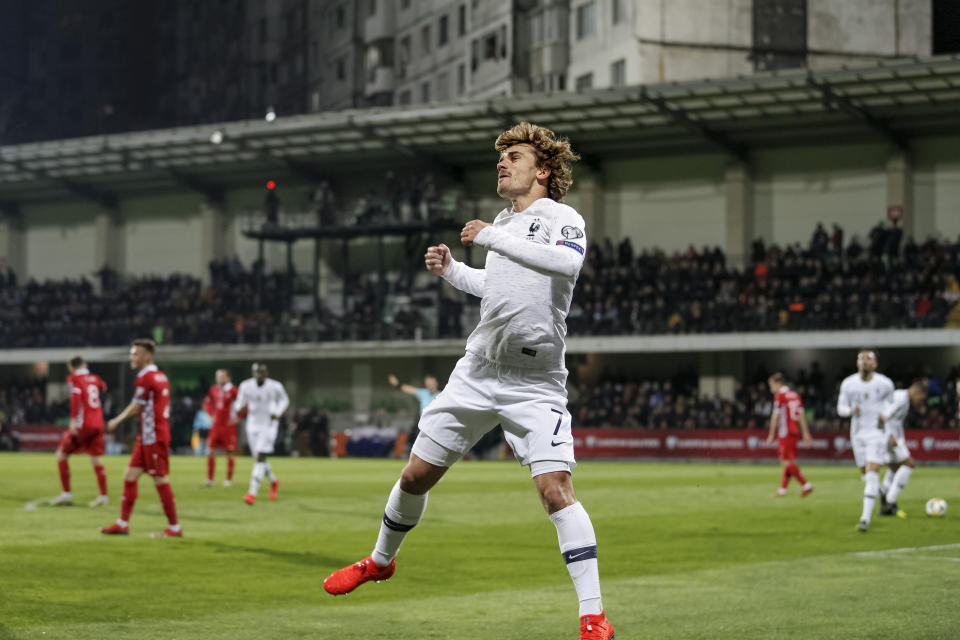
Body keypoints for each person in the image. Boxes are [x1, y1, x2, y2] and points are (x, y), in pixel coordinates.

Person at [323, 122, 614, 639]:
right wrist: (453, 270)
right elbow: (497, 284)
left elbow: (565, 265)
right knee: (415, 476)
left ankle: (592, 614)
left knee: (555, 490)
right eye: (500, 158)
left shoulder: (562, 218)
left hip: (534, 380)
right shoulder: (503, 221)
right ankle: (379, 561)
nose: (502, 163)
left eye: (515, 157)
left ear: (543, 170)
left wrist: (490, 236)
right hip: (478, 370)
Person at [101, 339, 181, 537]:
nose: (132, 357)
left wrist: (116, 420)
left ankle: (174, 528)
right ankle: (122, 524)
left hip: (154, 437)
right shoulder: (161, 376)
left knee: (161, 480)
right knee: (130, 476)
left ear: (147, 356)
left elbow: (137, 406)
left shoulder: (145, 377)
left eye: (135, 354)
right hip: (147, 437)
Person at [837, 349, 895, 532]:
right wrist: (850, 411)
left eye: (869, 359)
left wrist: (886, 416)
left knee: (872, 474)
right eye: (862, 358)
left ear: (875, 364)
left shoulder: (885, 384)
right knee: (865, 475)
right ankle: (882, 493)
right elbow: (841, 408)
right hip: (857, 435)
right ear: (857, 363)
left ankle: (865, 519)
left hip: (876, 435)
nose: (865, 362)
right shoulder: (849, 384)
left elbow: (893, 405)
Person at [51, 356, 109, 507]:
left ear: (71, 367)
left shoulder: (74, 380)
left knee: (61, 454)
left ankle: (66, 494)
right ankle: (103, 496)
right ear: (85, 365)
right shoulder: (95, 378)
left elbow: (76, 399)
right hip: (98, 423)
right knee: (96, 459)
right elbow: (104, 387)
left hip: (83, 424)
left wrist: (73, 421)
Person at [234, 363, 289, 505]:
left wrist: (277, 413)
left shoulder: (275, 386)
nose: (259, 375)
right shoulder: (246, 385)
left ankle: (252, 494)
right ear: (253, 373)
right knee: (259, 459)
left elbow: (285, 400)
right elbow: (239, 401)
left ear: (266, 373)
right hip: (252, 424)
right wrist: (238, 407)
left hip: (268, 425)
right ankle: (273, 481)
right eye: (256, 372)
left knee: (260, 457)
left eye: (262, 372)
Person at [878, 380, 928, 517]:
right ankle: (890, 500)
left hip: (894, 438)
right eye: (920, 398)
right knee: (909, 464)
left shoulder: (903, 398)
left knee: (895, 467)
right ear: (916, 392)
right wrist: (890, 436)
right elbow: (884, 416)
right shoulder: (901, 399)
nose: (919, 402)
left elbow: (895, 421)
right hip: (889, 438)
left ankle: (884, 492)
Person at [766, 372, 813, 498]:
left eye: (771, 385)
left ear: (778, 383)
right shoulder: (795, 395)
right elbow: (801, 415)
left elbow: (775, 416)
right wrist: (805, 433)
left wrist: (771, 434)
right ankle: (783, 490)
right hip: (794, 431)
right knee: (788, 461)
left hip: (785, 432)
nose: (771, 388)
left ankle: (806, 484)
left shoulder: (780, 396)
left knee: (786, 463)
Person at [204, 369, 239, 487]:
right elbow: (207, 402)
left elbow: (245, 405)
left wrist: (238, 418)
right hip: (216, 426)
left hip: (228, 427)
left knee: (229, 452)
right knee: (211, 452)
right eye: (218, 376)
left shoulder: (234, 391)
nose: (219, 379)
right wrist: (210, 414)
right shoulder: (213, 389)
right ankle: (210, 480)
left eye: (222, 377)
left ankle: (228, 480)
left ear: (228, 378)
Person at [387, 373, 440, 447]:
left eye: (431, 382)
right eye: (427, 383)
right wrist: (397, 384)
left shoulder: (441, 395)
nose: (429, 384)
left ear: (436, 383)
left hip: (435, 425)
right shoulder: (423, 393)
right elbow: (407, 389)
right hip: (422, 424)